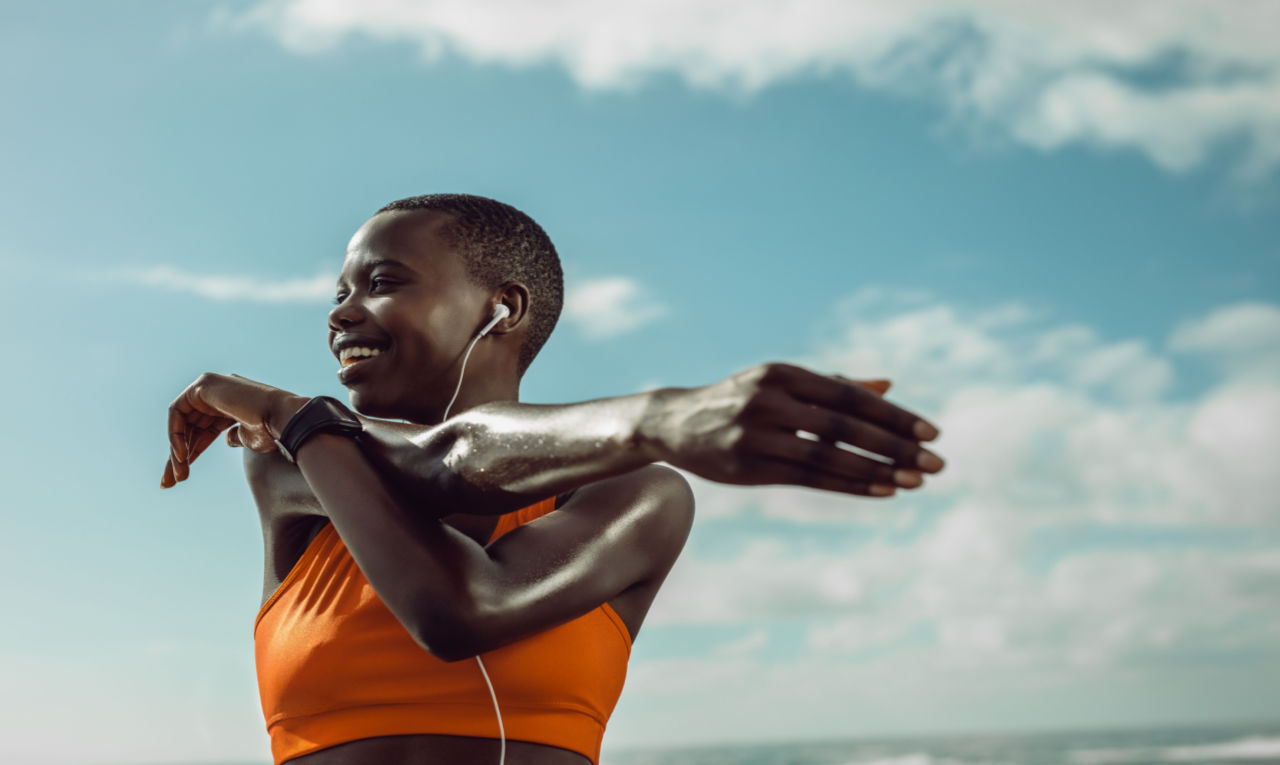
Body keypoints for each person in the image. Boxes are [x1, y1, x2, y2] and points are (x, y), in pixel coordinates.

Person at [160, 193, 945, 765]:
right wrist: (667, 416)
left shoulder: (637, 496)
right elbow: (433, 463)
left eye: (383, 281)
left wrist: (660, 424)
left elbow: (465, 602)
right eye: (339, 292)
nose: (340, 312)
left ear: (503, 309)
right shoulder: (293, 459)